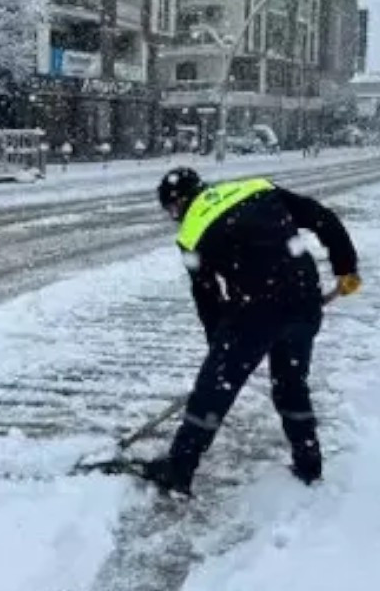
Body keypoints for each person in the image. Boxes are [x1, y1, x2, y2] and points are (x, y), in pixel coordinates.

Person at [140, 168, 362, 495]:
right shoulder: (256, 188)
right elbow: (322, 218)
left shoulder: (190, 233)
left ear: (178, 204)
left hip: (256, 307)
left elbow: (207, 296)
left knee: (212, 392)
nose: (174, 218)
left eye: (171, 211)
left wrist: (219, 350)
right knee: (291, 383)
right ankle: (308, 463)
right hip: (304, 297)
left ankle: (179, 468)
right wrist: (346, 268)